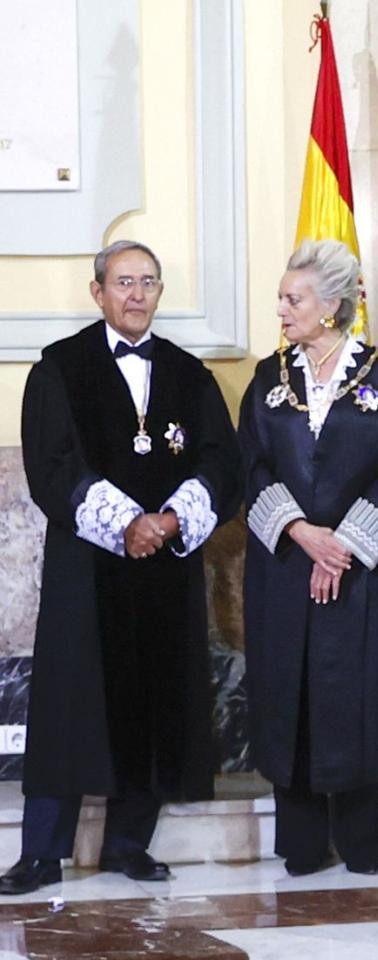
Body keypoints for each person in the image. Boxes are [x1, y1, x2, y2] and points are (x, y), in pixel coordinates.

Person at [4, 240, 239, 895]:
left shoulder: (191, 376)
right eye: (124, 282)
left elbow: (222, 464)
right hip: (88, 569)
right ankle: (42, 853)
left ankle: (128, 842)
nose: (136, 294)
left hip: (164, 569)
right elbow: (51, 466)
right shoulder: (59, 370)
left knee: (153, 703)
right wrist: (124, 525)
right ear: (98, 292)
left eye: (148, 283)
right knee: (68, 706)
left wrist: (167, 521)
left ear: (160, 293)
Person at [238, 239, 378, 877]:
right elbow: (252, 465)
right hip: (286, 567)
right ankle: (299, 843)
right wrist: (299, 531)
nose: (282, 309)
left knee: (356, 694)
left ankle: (361, 843)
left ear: (332, 305)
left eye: (294, 299)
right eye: (282, 298)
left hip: (360, 571)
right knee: (290, 694)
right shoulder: (268, 377)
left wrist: (341, 544)